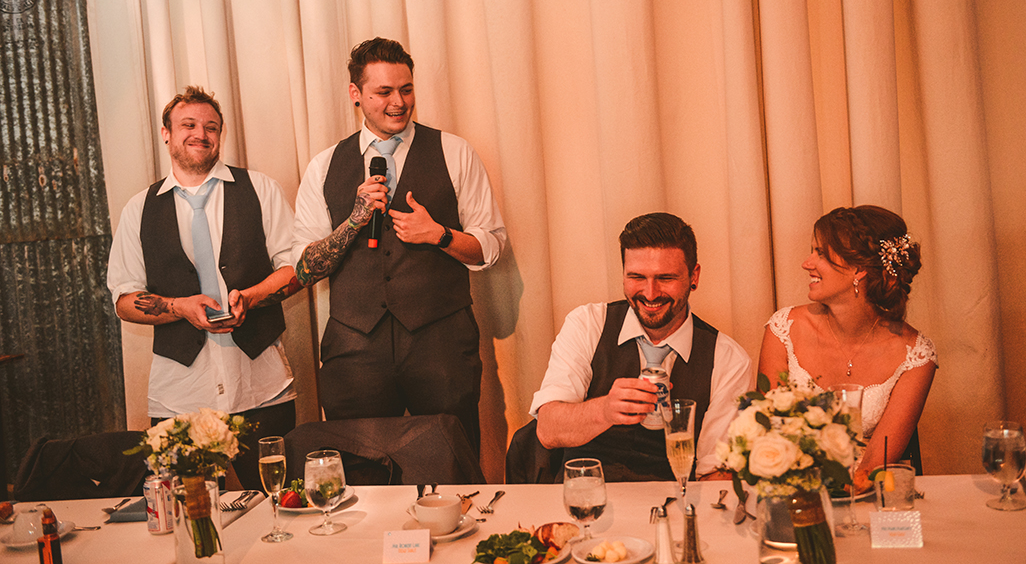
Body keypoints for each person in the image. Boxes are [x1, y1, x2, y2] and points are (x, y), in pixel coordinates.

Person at [292, 37, 506, 453]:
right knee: (357, 473)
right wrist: (353, 221)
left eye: (406, 89)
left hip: (441, 344)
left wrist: (439, 235)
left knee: (452, 460)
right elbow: (305, 266)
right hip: (354, 349)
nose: (398, 102)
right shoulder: (323, 166)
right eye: (383, 92)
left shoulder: (454, 152)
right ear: (356, 94)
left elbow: (492, 245)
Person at [108, 86, 302, 489]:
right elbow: (125, 300)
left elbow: (295, 268)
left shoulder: (260, 189)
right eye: (188, 125)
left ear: (221, 134)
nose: (201, 133)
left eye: (211, 126)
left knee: (278, 504)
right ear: (166, 133)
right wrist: (178, 307)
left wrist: (252, 296)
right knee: (192, 520)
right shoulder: (138, 209)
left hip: (261, 386)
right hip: (180, 395)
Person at [529, 213, 753, 481]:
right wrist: (605, 410)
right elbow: (548, 430)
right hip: (585, 498)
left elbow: (716, 473)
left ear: (694, 276)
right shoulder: (588, 323)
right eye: (637, 277)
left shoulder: (728, 359)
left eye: (666, 278)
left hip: (673, 505)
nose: (650, 293)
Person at [757, 205, 937, 491]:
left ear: (859, 270)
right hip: (793, 491)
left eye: (821, 254)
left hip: (865, 498)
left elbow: (875, 465)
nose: (807, 263)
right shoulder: (783, 329)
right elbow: (769, 435)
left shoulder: (916, 356)